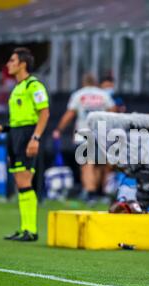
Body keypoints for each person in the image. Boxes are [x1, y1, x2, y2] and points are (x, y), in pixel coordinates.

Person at [0, 47, 50, 241]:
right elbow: (18, 119)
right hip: (15, 135)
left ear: (22, 64)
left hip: (27, 136)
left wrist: (35, 138)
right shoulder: (17, 88)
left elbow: (44, 113)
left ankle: (31, 230)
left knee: (25, 181)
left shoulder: (33, 86)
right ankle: (24, 227)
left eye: (12, 60)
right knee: (19, 182)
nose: (8, 64)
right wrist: (3, 128)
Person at [52, 73, 115, 202]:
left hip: (83, 133)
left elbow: (69, 114)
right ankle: (98, 192)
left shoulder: (78, 95)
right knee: (98, 164)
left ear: (83, 82)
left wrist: (59, 129)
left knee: (86, 164)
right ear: (95, 82)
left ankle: (90, 192)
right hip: (102, 132)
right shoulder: (103, 95)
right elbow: (113, 112)